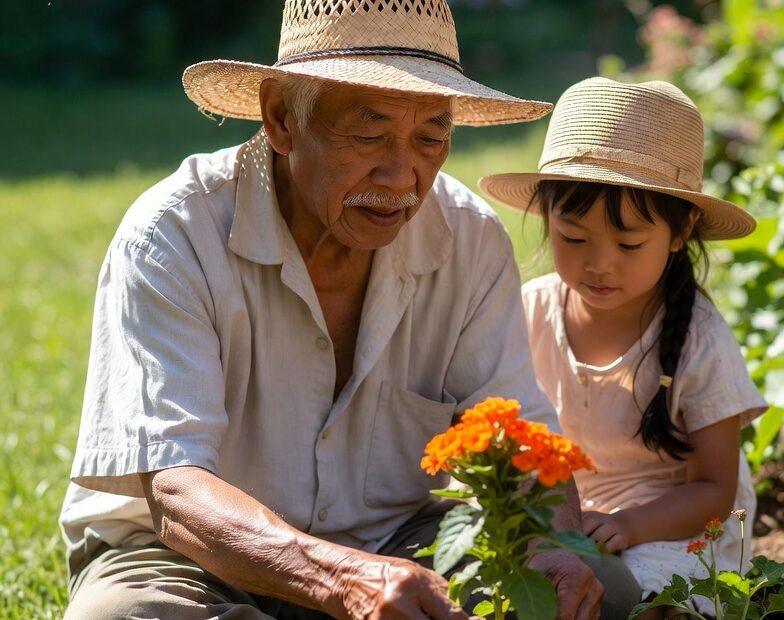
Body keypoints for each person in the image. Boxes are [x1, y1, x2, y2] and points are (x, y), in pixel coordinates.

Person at [59, 2, 621, 619]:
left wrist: (548, 545)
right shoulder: (174, 235)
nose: (402, 174)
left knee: (601, 591)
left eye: (431, 136)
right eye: (369, 133)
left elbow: (521, 438)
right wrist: (340, 579)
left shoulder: (469, 239)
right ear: (281, 118)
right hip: (192, 561)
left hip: (397, 545)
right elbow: (174, 491)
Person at [480, 77, 769, 617]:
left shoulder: (697, 338)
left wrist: (628, 525)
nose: (599, 264)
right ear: (545, 217)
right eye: (573, 237)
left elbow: (715, 489)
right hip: (567, 521)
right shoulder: (532, 310)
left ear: (680, 231)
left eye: (629, 242)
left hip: (672, 529)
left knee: (633, 602)